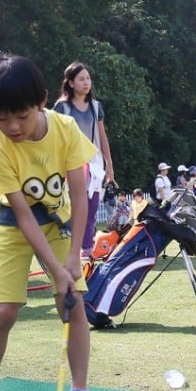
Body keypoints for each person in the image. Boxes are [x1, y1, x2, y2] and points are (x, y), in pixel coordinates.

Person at [0, 53, 100, 391]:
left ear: (41, 101)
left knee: (72, 304)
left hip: (58, 223)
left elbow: (80, 195)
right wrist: (55, 268)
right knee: (4, 311)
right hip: (12, 227)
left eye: (21, 116)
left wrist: (73, 258)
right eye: (2, 118)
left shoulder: (67, 128)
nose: (14, 126)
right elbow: (22, 216)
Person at [53, 62, 115, 257]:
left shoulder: (96, 107)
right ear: (70, 83)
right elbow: (54, 139)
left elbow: (102, 136)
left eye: (88, 78)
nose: (86, 82)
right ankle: (69, 250)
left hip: (93, 163)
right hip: (69, 163)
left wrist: (109, 165)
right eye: (81, 79)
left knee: (92, 207)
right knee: (71, 208)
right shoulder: (62, 107)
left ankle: (86, 252)